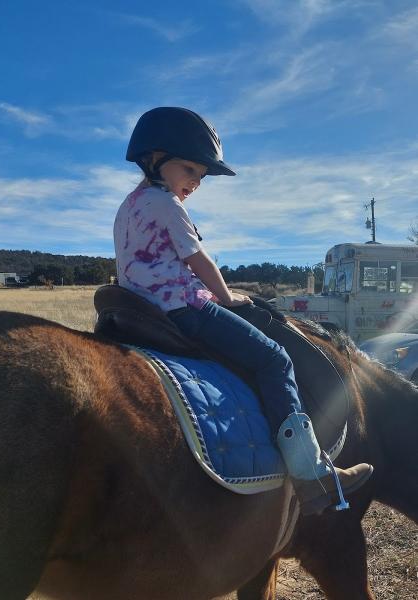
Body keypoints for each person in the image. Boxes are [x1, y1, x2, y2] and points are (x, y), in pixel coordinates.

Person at [113, 106, 373, 516]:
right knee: (274, 358)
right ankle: (313, 474)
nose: (195, 182)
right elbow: (198, 261)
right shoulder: (167, 204)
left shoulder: (129, 206)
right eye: (189, 170)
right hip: (183, 308)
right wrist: (227, 297)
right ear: (155, 157)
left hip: (142, 308)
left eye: (200, 176)